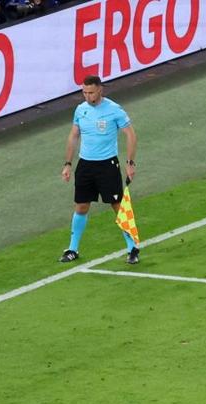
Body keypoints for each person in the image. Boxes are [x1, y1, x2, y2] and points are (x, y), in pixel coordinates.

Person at [59, 75, 139, 265]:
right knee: (81, 206)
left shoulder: (114, 110)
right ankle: (72, 248)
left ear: (100, 90)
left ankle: (132, 248)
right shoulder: (80, 110)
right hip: (85, 165)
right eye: (84, 92)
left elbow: (131, 135)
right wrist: (68, 164)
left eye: (91, 92)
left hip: (107, 165)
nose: (87, 96)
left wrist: (130, 162)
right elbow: (73, 136)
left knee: (117, 206)